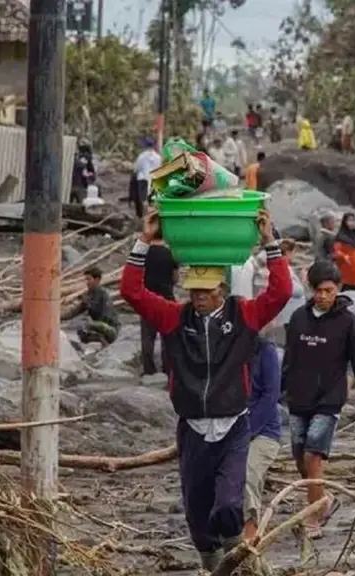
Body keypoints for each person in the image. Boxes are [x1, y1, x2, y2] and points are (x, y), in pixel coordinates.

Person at [120, 208, 290, 571]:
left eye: (206, 292)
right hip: (193, 429)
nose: (198, 297)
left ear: (222, 291)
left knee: (229, 505)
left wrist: (270, 242)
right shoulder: (174, 318)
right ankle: (214, 566)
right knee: (197, 517)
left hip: (233, 426)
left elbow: (281, 292)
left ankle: (237, 564)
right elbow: (131, 292)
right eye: (194, 291)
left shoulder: (243, 316)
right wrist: (145, 239)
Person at [282, 260, 355, 539]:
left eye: (329, 290)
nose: (323, 296)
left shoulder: (348, 322)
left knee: (313, 455)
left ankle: (313, 518)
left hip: (329, 398)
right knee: (300, 459)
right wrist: (279, 392)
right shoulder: (298, 318)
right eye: (318, 291)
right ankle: (324, 500)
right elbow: (289, 359)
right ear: (311, 289)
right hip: (298, 397)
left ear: (338, 288)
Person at [243, 336, 282, 542]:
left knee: (248, 474)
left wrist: (249, 431)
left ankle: (250, 534)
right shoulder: (225, 347)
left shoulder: (266, 351)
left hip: (265, 431)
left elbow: (271, 395)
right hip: (229, 427)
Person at [140, 232, 179, 375]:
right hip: (166, 298)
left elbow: (139, 275)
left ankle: (148, 370)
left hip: (148, 299)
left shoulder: (144, 253)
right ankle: (168, 369)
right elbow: (175, 278)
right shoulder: (170, 254)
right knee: (167, 335)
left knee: (147, 336)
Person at [65, 267, 120, 345]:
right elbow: (74, 312)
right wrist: (58, 316)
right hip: (98, 325)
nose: (87, 282)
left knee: (85, 324)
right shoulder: (89, 295)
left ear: (97, 280)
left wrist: (93, 325)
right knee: (81, 332)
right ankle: (98, 341)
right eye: (86, 280)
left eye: (89, 279)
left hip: (110, 328)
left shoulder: (104, 295)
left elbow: (106, 317)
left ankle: (103, 341)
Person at [332, 213, 355, 291]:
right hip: (347, 270)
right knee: (346, 289)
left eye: (353, 220)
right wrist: (344, 256)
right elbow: (336, 251)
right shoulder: (341, 236)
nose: (352, 223)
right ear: (344, 222)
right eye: (349, 220)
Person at [132, 136, 161, 217]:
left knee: (143, 199)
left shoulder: (141, 156)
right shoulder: (157, 157)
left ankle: (144, 215)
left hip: (143, 179)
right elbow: (160, 168)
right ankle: (152, 215)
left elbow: (136, 169)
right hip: (154, 179)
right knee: (153, 199)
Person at [70, 138, 95, 203]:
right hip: (80, 183)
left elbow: (90, 172)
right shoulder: (83, 158)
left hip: (77, 183)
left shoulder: (82, 157)